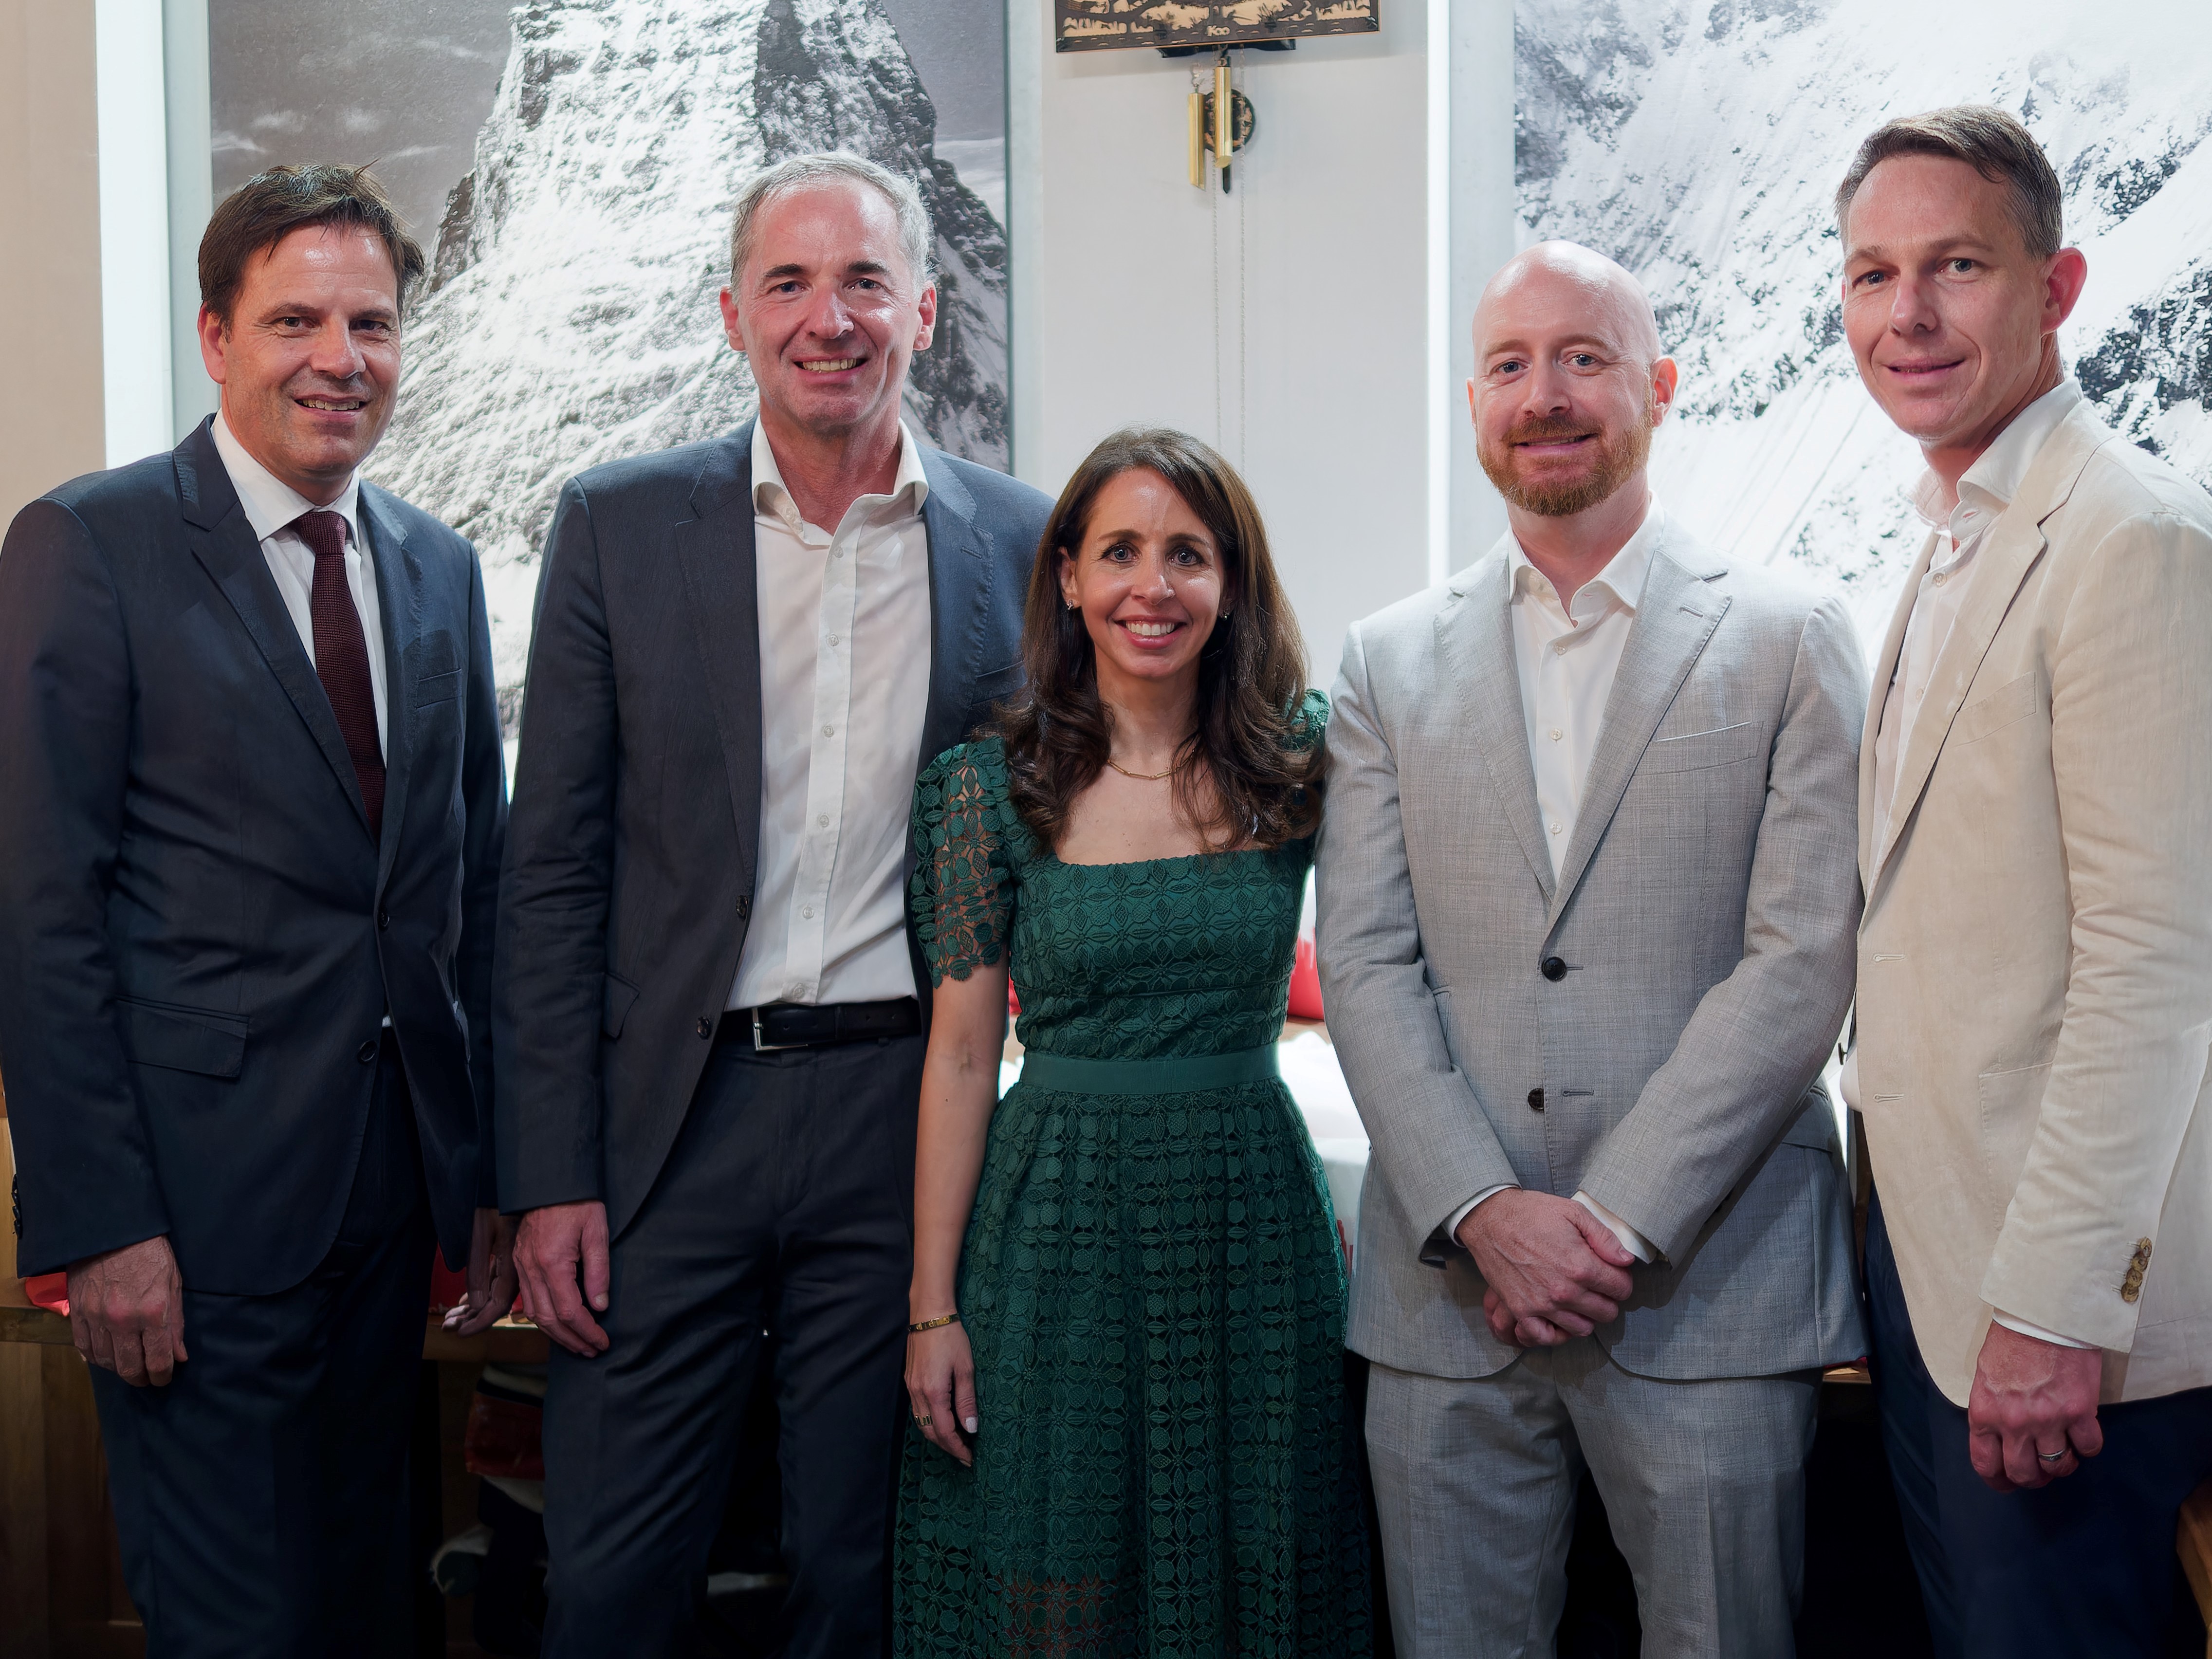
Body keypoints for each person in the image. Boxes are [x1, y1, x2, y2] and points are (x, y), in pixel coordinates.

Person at [496, 152, 1054, 1658]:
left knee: (858, 1575)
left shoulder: (1021, 541)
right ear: (732, 314)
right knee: (610, 1579)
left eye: (865, 281)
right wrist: (549, 1174)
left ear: (922, 312)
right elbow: (550, 872)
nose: (829, 318)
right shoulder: (620, 527)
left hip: (899, 1119)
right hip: (667, 1127)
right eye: (789, 284)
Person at [1316, 242, 1867, 1658]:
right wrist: (1484, 1208)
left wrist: (1612, 1221)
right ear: (1473, 402)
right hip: (1449, 1292)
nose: (1543, 395)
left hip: (1710, 1284)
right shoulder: (1384, 661)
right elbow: (1365, 962)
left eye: (1584, 358)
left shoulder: (1791, 636)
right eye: (1509, 364)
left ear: (1660, 387)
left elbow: (1801, 960)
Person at [0, 164, 513, 1656]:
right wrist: (100, 1226)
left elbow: (469, 897)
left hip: (392, 1217)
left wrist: (489, 1175)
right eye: (297, 321)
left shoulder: (436, 569)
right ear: (216, 337)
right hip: (191, 1227)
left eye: (373, 323)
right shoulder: (88, 547)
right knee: (239, 1627)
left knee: (370, 1614)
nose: (339, 359)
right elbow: (41, 913)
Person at [1834, 106, 2212, 1657]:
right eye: (1872, 274)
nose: (1906, 315)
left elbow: (2156, 962)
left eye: (1957, 267)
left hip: (2058, 1318)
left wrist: (2055, 1309)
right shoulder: (1960, 526)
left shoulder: (2132, 539)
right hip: (1936, 1277)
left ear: (2056, 289)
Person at [895, 426, 1371, 1655]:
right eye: (1118, 552)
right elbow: (960, 1057)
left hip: (1250, 1215)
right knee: (1059, 1568)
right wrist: (932, 1309)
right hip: (1053, 1221)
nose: (1151, 587)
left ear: (1231, 582)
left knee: (1261, 1551)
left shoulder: (1300, 758)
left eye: (1186, 555)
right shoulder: (987, 786)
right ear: (1066, 576)